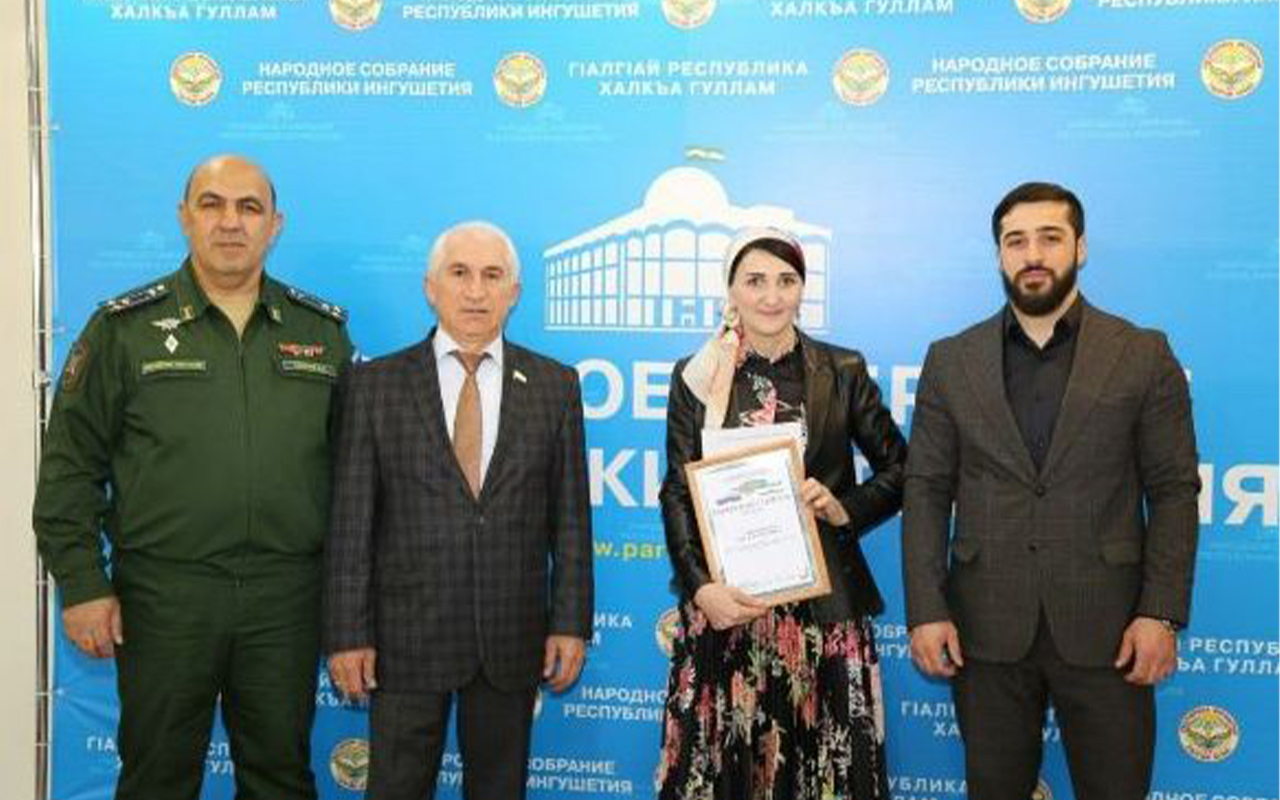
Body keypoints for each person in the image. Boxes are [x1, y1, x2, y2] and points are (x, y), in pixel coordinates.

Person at [33, 154, 354, 800]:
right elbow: (70, 466)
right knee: (156, 778)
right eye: (212, 204)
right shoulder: (123, 330)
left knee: (281, 779)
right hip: (164, 597)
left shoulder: (321, 333)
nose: (230, 222)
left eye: (249, 208)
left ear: (275, 225)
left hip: (285, 599)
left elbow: (355, 477)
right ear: (185, 218)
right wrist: (83, 583)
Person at [902, 182, 1201, 800]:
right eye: (1016, 241)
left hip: (1111, 627)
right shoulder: (951, 360)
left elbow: (1174, 490)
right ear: (999, 255)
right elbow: (926, 490)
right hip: (985, 628)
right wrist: (927, 609)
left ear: (1080, 248)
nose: (1032, 254)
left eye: (1050, 238)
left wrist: (1160, 612)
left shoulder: (1143, 354)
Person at [323, 221, 593, 800]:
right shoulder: (374, 385)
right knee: (396, 789)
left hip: (510, 637)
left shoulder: (555, 385)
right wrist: (347, 632)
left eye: (492, 276)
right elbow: (350, 521)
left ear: (514, 292)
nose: (475, 291)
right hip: (403, 640)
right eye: (460, 273)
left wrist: (570, 623)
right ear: (431, 287)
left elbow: (571, 522)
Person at [655, 227, 908, 800]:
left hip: (825, 615)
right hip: (726, 611)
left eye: (786, 280)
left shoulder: (841, 369)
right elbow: (677, 491)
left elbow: (903, 470)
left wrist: (844, 508)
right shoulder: (696, 375)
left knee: (829, 778)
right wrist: (700, 589)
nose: (772, 296)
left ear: (802, 289)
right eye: (755, 281)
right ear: (731, 290)